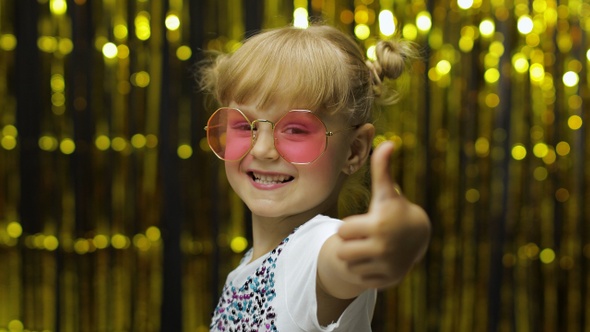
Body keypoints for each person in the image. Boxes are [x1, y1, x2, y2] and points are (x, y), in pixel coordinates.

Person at [199, 24, 431, 331]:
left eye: (295, 129)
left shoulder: (317, 249)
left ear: (354, 150)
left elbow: (342, 262)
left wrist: (402, 236)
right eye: (244, 125)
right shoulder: (249, 266)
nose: (264, 149)